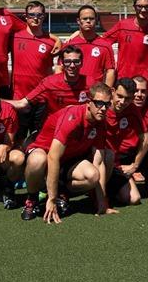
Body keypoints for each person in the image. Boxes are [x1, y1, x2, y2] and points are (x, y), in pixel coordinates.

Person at [22, 83, 116, 222]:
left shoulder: (101, 122)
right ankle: (32, 199)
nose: (102, 109)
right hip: (46, 154)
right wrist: (51, 199)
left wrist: (103, 202)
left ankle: (62, 191)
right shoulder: (72, 117)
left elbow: (99, 161)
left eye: (106, 105)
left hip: (69, 160)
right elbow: (53, 157)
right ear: (89, 103)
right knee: (37, 160)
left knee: (93, 175)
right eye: (98, 103)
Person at [11, 1, 57, 139]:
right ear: (25, 16)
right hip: (18, 98)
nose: (35, 18)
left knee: (38, 141)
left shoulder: (51, 42)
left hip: (41, 100)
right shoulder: (14, 37)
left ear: (44, 17)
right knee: (16, 141)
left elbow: (50, 70)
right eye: (31, 15)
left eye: (39, 15)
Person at [8, 46, 90, 118]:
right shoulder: (49, 83)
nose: (72, 66)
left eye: (76, 62)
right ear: (61, 63)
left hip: (80, 129)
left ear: (82, 63)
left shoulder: (90, 83)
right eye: (67, 61)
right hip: (53, 129)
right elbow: (22, 104)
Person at [103, 0, 148, 86]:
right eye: (139, 6)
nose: (143, 10)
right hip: (123, 81)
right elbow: (102, 43)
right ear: (134, 7)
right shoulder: (122, 26)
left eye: (147, 6)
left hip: (145, 84)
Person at [104, 79, 146, 206]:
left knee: (134, 199)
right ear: (112, 91)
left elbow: (145, 139)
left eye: (127, 98)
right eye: (120, 96)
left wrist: (134, 166)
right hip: (99, 159)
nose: (122, 102)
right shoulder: (101, 107)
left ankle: (109, 189)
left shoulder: (132, 109)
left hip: (118, 164)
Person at [61, 5, 115, 87]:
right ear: (78, 21)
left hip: (95, 93)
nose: (88, 21)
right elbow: (60, 68)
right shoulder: (69, 44)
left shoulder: (105, 45)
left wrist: (106, 94)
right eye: (85, 19)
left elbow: (110, 71)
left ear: (96, 20)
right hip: (72, 92)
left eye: (91, 18)